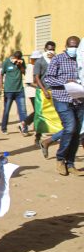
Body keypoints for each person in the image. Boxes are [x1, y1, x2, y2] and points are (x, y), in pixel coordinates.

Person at [43, 36, 83, 176]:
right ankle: (60, 159)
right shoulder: (58, 59)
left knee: (77, 133)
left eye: (77, 46)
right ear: (66, 46)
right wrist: (67, 81)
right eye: (72, 46)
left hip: (79, 100)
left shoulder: (81, 60)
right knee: (70, 127)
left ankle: (70, 163)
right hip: (62, 98)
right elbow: (48, 78)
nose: (74, 49)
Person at [36, 41, 64, 156]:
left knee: (59, 117)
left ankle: (52, 140)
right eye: (49, 49)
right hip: (44, 92)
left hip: (57, 91)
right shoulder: (40, 61)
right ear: (45, 49)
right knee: (40, 115)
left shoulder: (58, 60)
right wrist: (44, 90)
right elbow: (36, 78)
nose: (50, 51)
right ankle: (38, 136)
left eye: (52, 49)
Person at [0, 51, 28, 134]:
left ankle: (24, 128)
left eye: (19, 58)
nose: (17, 59)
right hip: (9, 91)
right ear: (13, 57)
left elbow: (24, 72)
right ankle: (4, 128)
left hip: (19, 90)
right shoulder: (6, 62)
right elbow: (1, 74)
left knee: (23, 110)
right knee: (7, 110)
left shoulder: (21, 61)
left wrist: (20, 65)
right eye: (16, 58)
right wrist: (1, 86)